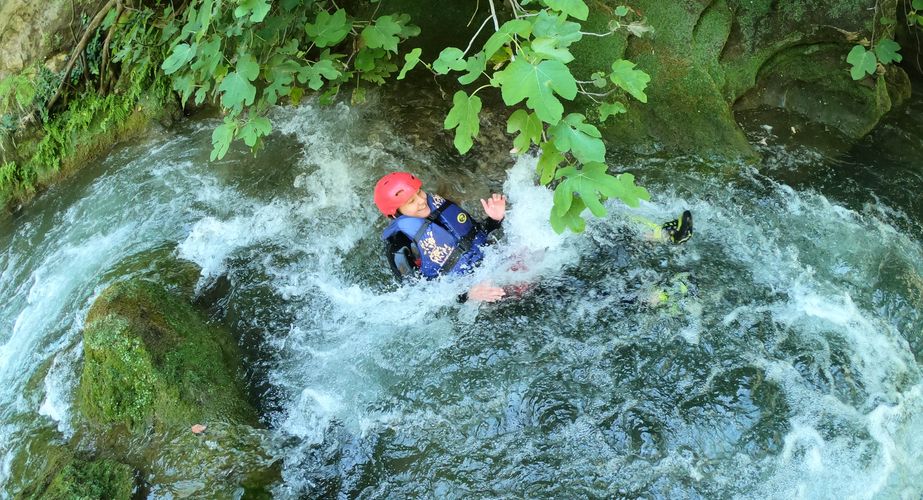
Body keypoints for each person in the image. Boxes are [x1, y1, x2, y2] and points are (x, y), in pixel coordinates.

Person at [373, 171, 694, 303]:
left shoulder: (435, 207)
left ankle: (658, 234)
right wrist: (468, 295)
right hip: (478, 291)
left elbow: (476, 238)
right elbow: (418, 300)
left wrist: (494, 221)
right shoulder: (400, 246)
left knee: (566, 241)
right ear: (395, 212)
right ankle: (642, 298)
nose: (421, 200)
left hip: (495, 261)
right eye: (411, 201)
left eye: (419, 193)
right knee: (559, 286)